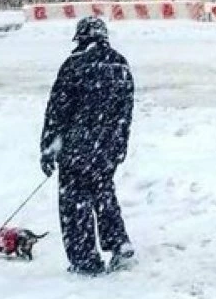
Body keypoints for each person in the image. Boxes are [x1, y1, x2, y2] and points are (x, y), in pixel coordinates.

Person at [41, 17, 136, 276]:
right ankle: (119, 243)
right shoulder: (120, 64)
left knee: (75, 203)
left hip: (76, 149)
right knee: (104, 193)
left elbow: (57, 111)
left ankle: (85, 260)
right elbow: (125, 113)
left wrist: (48, 148)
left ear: (81, 38)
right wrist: (118, 147)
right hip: (107, 149)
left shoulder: (74, 66)